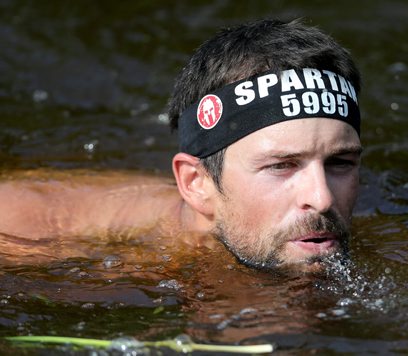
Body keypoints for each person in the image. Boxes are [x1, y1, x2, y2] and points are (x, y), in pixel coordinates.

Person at [0, 19, 362, 275]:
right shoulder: (47, 243)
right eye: (281, 166)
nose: (323, 198)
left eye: (340, 162)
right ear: (196, 183)